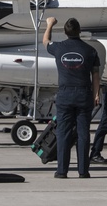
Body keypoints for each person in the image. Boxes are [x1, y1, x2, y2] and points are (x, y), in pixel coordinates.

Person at [43, 16, 102, 178]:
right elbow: (96, 75)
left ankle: (62, 171)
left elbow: (45, 41)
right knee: (83, 134)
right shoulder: (90, 51)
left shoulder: (59, 48)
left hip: (65, 94)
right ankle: (83, 171)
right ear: (79, 31)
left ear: (65, 32)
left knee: (63, 133)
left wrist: (49, 24)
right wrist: (96, 93)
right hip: (84, 94)